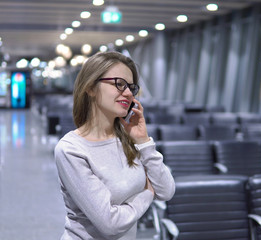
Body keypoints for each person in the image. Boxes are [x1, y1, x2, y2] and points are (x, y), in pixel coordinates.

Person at [54, 51, 175, 240]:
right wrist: (147, 193)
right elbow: (109, 224)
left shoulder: (128, 138)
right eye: (119, 84)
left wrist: (143, 141)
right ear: (91, 87)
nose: (128, 93)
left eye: (131, 87)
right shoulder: (71, 149)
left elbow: (166, 190)